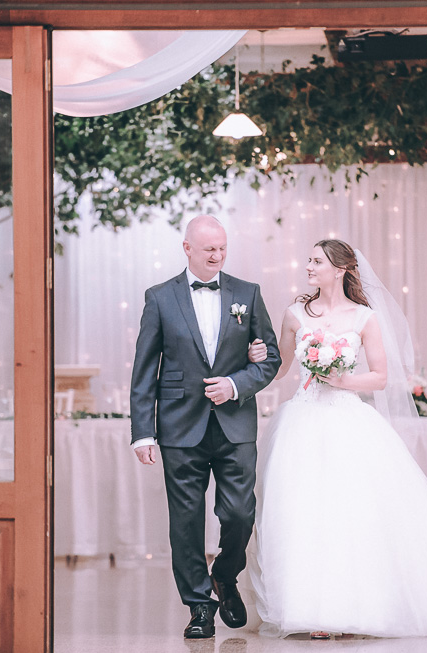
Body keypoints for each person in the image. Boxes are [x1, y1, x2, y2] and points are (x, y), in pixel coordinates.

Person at [246, 238, 427, 638]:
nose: (308, 267)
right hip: (301, 421)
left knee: (351, 513)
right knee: (303, 513)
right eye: (309, 260)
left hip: (347, 419)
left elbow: (381, 377)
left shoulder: (364, 317)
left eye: (316, 261)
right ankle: (310, 610)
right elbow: (280, 369)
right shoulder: (295, 314)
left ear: (340, 269)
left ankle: (354, 607)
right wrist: (257, 359)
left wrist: (342, 378)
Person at [130, 215, 281, 639]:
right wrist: (143, 432)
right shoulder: (159, 298)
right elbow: (144, 371)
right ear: (187, 248)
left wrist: (236, 384)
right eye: (209, 249)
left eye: (222, 248)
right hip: (179, 426)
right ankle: (198, 606)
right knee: (186, 521)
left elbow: (270, 356)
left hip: (234, 425)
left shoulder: (247, 294)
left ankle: (226, 575)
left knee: (239, 513)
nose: (217, 256)